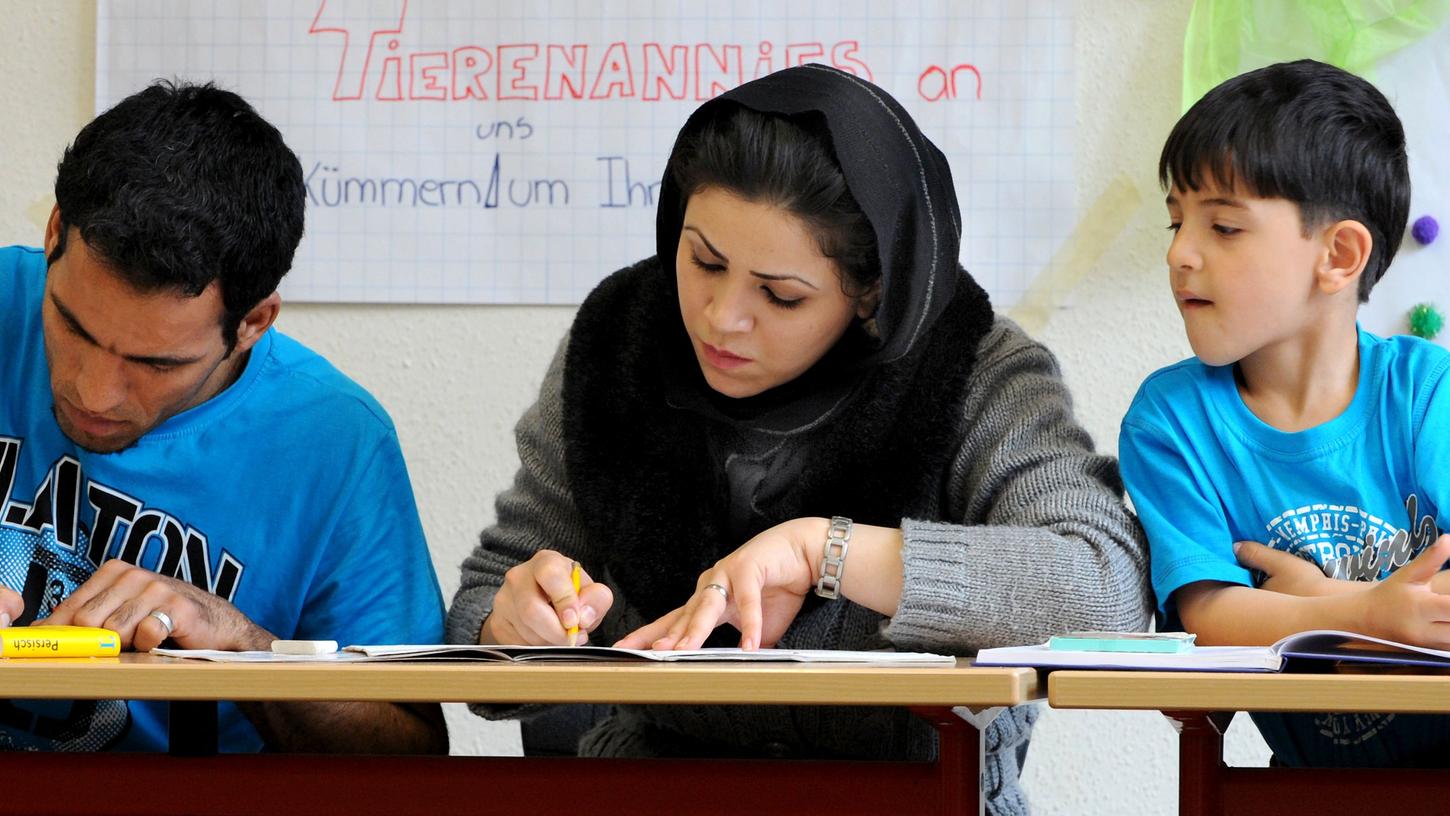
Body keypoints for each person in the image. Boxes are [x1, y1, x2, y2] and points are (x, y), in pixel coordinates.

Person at [447, 64, 1148, 812]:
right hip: (650, 789)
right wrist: (516, 623)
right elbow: (486, 602)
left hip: (920, 799)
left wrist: (826, 552)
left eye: (779, 295)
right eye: (703, 261)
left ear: (871, 294)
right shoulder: (620, 344)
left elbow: (1104, 590)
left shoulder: (972, 367)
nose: (721, 317)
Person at [0, 81, 446, 753]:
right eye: (72, 327)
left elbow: (409, 752)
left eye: (155, 364)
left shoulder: (334, 441)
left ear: (253, 323)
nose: (94, 393)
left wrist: (244, 647)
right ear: (55, 232)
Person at [1120, 59, 1450, 766]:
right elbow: (1210, 620)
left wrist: (1304, 607)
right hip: (1298, 794)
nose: (1180, 253)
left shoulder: (1428, 394)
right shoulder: (1171, 421)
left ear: (1339, 255)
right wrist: (1359, 611)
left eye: (1224, 227)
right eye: (1176, 221)